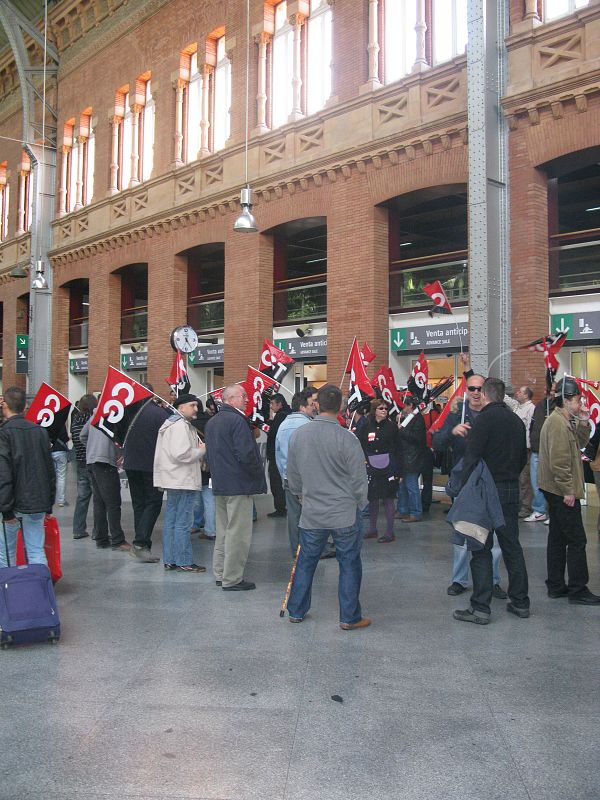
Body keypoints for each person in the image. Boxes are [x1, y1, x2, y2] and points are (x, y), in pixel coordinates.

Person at [285, 384, 370, 629]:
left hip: (312, 512)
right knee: (349, 563)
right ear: (341, 407)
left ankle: (296, 610)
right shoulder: (347, 437)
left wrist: (300, 494)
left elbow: (293, 474)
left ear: (317, 404)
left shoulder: (299, 435)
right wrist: (359, 503)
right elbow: (358, 478)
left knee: (306, 562)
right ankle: (349, 617)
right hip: (344, 512)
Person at [453, 377, 530, 625]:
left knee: (481, 547)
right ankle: (520, 602)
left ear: (485, 395)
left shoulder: (483, 420)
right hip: (509, 488)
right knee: (511, 546)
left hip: (485, 490)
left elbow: (472, 457)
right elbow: (522, 458)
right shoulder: (517, 422)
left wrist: (462, 487)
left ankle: (481, 608)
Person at [432, 370, 505, 598]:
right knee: (461, 535)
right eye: (471, 388)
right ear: (466, 391)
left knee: (493, 537)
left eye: (479, 389)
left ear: (486, 392)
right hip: (465, 484)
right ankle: (459, 579)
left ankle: (493, 580)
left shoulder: (494, 414)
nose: (475, 393)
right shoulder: (456, 415)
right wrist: (453, 432)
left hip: (490, 483)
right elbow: (437, 441)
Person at [538, 377, 600, 605]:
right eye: (576, 400)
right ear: (565, 400)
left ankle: (555, 584)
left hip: (556, 489)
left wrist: (583, 421)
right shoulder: (556, 423)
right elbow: (560, 461)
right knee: (576, 539)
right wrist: (567, 490)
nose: (580, 403)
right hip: (560, 490)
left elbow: (580, 443)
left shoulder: (565, 420)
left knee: (557, 537)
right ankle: (578, 589)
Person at [205, 384, 267, 590]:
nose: (247, 399)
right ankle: (232, 578)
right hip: (239, 484)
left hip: (221, 483)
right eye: (243, 396)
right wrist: (257, 475)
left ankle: (221, 573)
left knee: (223, 531)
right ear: (231, 399)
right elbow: (246, 454)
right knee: (238, 533)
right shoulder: (238, 421)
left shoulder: (212, 421)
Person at [0, 387, 55, 568]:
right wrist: (49, 503)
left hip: (13, 502)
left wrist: (6, 509)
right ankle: (39, 591)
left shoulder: (4, 433)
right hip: (37, 502)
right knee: (36, 550)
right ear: (25, 407)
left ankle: (7, 592)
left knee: (6, 553)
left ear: (5, 405)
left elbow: (4, 473)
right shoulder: (40, 431)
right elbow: (49, 469)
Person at [153, 393, 206, 573]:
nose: (196, 409)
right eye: (193, 405)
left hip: (175, 479)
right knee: (183, 522)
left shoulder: (173, 424)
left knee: (172, 521)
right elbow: (181, 453)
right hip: (182, 480)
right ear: (181, 407)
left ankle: (170, 559)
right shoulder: (180, 426)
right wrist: (200, 451)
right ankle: (184, 560)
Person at [124, 389, 170, 562]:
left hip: (131, 463)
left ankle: (140, 544)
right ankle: (141, 543)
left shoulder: (130, 412)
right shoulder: (158, 413)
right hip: (150, 465)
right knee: (153, 503)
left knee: (139, 504)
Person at [275, 388, 318, 554]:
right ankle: (311, 548)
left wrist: (284, 476)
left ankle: (297, 548)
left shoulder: (283, 425)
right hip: (306, 479)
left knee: (293, 516)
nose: (315, 406)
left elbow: (278, 454)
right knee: (311, 516)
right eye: (312, 403)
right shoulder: (308, 426)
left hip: (288, 477)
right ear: (302, 407)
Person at [81, 415, 131, 551]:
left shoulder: (94, 416)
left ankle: (101, 538)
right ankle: (117, 540)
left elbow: (82, 435)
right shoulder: (113, 417)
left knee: (99, 502)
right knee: (113, 502)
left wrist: (92, 449)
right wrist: (117, 453)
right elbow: (119, 439)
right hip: (106, 462)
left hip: (92, 462)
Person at [357, 399, 401, 543]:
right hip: (370, 464)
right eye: (380, 408)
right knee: (373, 498)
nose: (384, 410)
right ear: (374, 410)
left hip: (388, 466)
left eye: (385, 408)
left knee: (388, 498)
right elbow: (361, 444)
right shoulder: (366, 426)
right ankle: (372, 529)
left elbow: (398, 448)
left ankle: (389, 532)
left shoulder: (392, 427)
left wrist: (399, 471)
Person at [525, 383, 556, 524]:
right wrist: (532, 438)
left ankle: (553, 513)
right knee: (535, 482)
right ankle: (539, 510)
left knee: (551, 483)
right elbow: (533, 425)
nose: (549, 392)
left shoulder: (558, 407)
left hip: (550, 452)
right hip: (537, 449)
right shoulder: (540, 406)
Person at [70, 394, 98, 540]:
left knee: (82, 498)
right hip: (92, 462)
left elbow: (76, 439)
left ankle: (78, 529)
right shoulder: (93, 420)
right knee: (98, 498)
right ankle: (97, 531)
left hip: (80, 462)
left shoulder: (75, 419)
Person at [396, 396, 426, 523]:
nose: (403, 408)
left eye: (405, 405)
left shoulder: (417, 419)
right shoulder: (408, 418)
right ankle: (403, 509)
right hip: (405, 456)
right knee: (402, 486)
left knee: (411, 486)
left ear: (411, 406)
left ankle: (415, 512)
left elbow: (417, 438)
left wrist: (401, 430)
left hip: (412, 457)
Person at [192, 399, 216, 541]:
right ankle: (211, 530)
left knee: (196, 499)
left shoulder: (190, 425)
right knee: (210, 499)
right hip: (211, 467)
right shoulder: (212, 422)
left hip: (196, 467)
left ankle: (196, 524)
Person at [266, 392, 291, 517]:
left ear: (279, 404)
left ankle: (280, 508)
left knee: (276, 481)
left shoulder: (281, 416)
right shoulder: (287, 415)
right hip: (285, 454)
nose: (270, 406)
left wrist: (265, 425)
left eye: (272, 403)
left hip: (276, 454)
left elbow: (272, 433)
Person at [514, 385, 536, 519]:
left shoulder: (531, 409)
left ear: (526, 395)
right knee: (517, 478)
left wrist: (528, 445)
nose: (517, 393)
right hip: (515, 448)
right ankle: (518, 504)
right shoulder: (517, 407)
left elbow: (530, 429)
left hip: (525, 449)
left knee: (524, 479)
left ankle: (526, 507)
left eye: (520, 392)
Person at [421, 404, 441, 513]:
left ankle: (423, 504)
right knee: (426, 480)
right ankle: (423, 503)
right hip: (425, 449)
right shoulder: (434, 414)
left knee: (424, 479)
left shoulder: (431, 414)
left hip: (426, 449)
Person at [51, 423, 70, 507]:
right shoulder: (61, 424)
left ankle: (51, 499)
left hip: (50, 451)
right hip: (60, 451)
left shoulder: (47, 422)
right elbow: (65, 438)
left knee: (51, 476)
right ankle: (61, 500)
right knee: (61, 476)